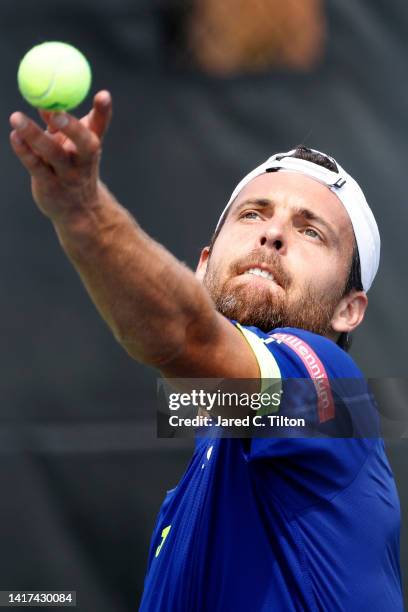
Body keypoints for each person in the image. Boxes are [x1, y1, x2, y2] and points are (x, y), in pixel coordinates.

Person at [9, 92, 402, 611]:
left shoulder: (333, 399)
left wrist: (84, 213)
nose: (273, 234)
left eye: (311, 231)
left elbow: (185, 336)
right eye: (252, 215)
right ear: (202, 265)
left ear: (349, 310)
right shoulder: (179, 515)